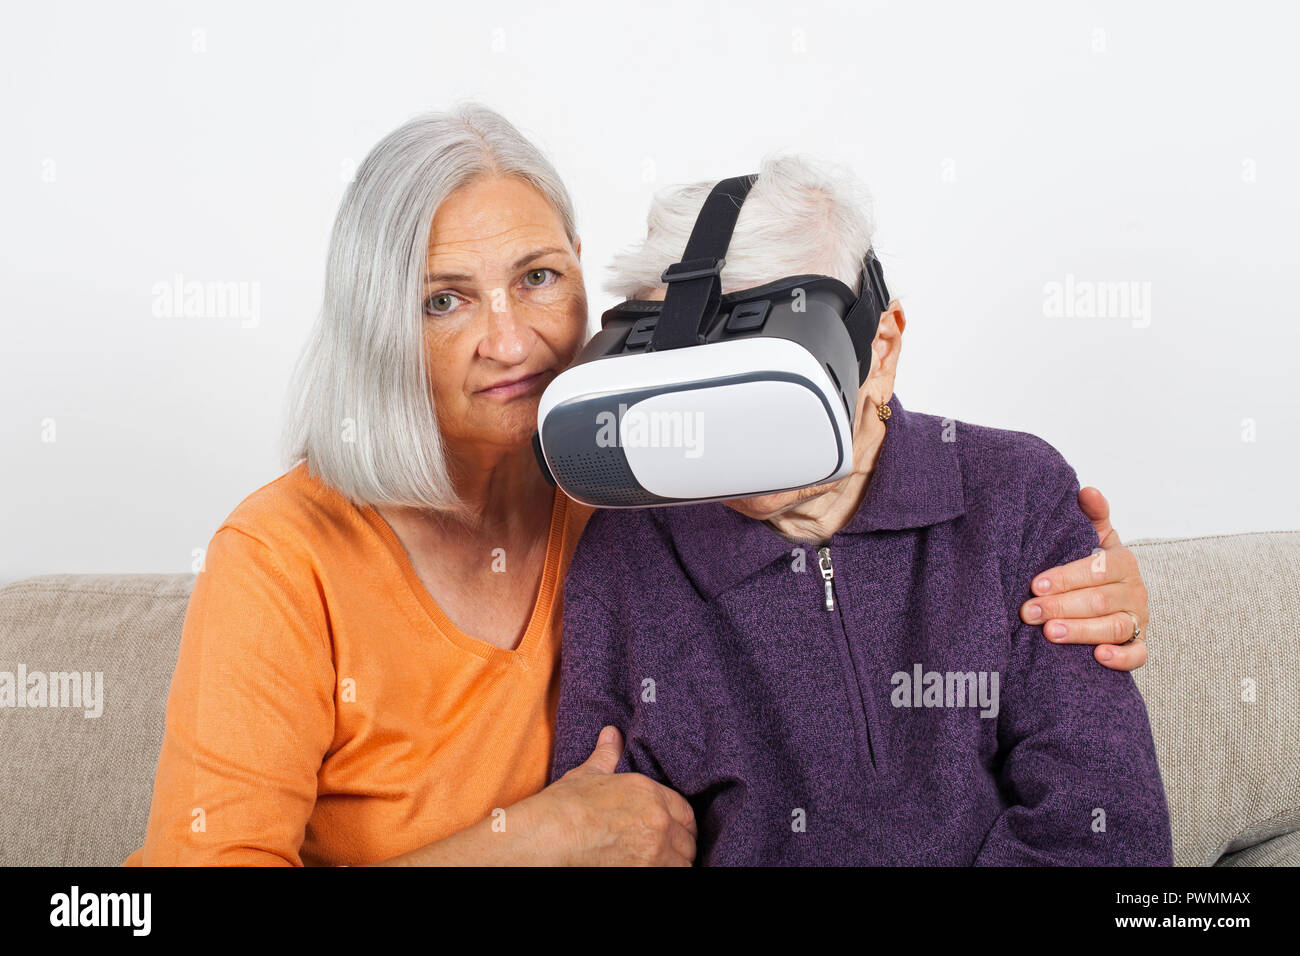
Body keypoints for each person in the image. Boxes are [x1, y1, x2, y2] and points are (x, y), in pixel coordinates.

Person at [125, 106, 1152, 867]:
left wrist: (1085, 568)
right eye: (443, 299)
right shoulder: (289, 556)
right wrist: (524, 842)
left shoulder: (635, 489)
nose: (509, 339)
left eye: (536, 277)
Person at [550, 156, 1172, 865]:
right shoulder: (627, 551)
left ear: (880, 349)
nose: (726, 436)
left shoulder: (1015, 493)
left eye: (761, 382)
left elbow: (1107, 833)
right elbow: (615, 831)